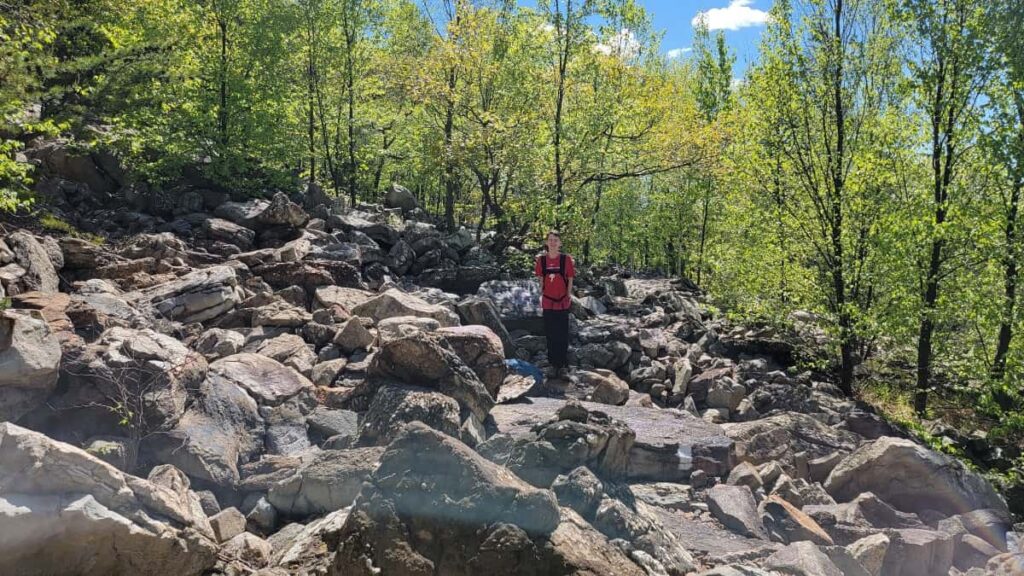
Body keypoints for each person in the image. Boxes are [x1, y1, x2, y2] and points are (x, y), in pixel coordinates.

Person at [534, 230, 575, 378]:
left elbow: (570, 278)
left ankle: (563, 365)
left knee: (562, 334)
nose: (552, 242)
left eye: (555, 240)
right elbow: (541, 280)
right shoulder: (541, 261)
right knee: (550, 334)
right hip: (547, 301)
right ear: (547, 243)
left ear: (560, 243)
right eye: (550, 240)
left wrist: (569, 295)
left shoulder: (566, 260)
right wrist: (541, 295)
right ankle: (552, 365)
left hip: (563, 301)